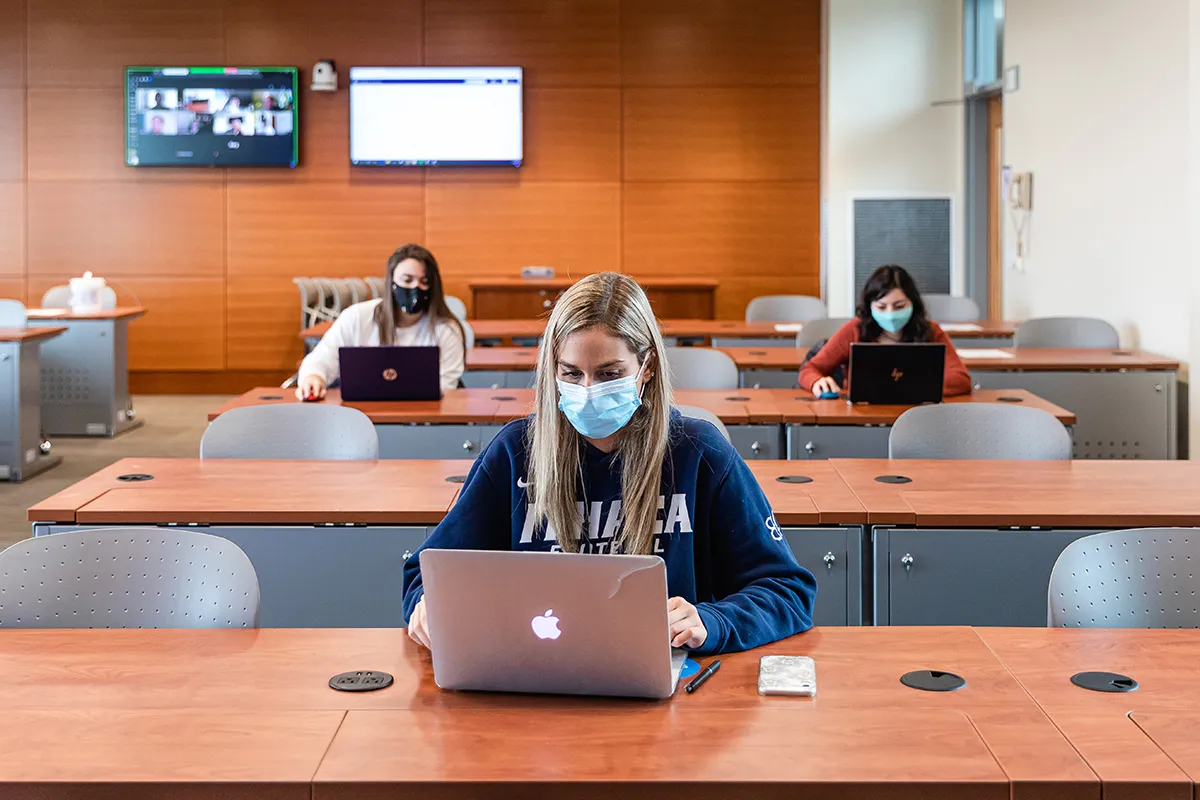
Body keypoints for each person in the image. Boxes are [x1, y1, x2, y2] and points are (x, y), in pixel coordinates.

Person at [401, 272, 816, 656]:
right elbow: (426, 572)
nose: (588, 390)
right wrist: (427, 606)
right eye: (571, 373)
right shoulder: (516, 452)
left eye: (609, 373)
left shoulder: (700, 453)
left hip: (669, 683)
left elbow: (787, 590)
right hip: (536, 675)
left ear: (647, 366)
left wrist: (714, 621)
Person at [296, 244, 466, 399]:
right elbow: (322, 358)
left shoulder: (447, 329)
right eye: (407, 280)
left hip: (424, 422)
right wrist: (313, 377)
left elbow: (446, 388)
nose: (416, 287)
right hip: (363, 415)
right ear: (391, 282)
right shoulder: (357, 317)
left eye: (424, 282)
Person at [799, 264, 972, 397]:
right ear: (870, 307)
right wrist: (817, 382)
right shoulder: (854, 330)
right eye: (881, 307)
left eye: (899, 306)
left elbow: (961, 379)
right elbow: (810, 369)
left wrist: (913, 387)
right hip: (861, 416)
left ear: (913, 303)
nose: (891, 314)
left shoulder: (931, 331)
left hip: (916, 415)